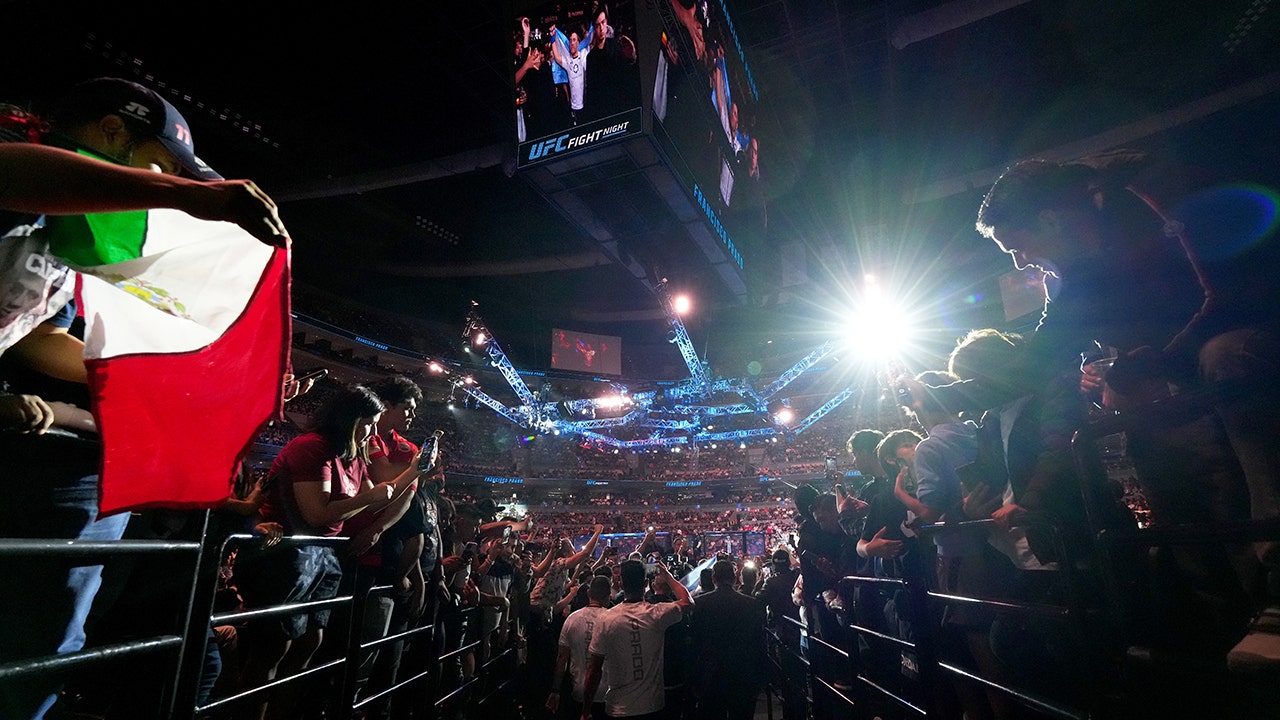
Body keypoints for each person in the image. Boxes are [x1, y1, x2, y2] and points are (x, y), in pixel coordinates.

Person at [0, 77, 284, 720]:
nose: (163, 184)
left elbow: (29, 339)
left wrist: (161, 378)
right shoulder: (21, 151)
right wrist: (186, 194)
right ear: (110, 132)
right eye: (159, 162)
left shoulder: (76, 237)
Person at [970, 154, 1280, 666]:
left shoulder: (1154, 194)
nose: (1020, 262)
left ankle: (1272, 590)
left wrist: (1154, 364)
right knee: (1163, 451)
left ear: (1049, 218)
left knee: (1225, 357)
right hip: (1178, 382)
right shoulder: (1075, 275)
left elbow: (1233, 292)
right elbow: (1034, 363)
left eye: (1016, 246)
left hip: (1242, 345)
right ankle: (1228, 628)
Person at [234, 385, 419, 720]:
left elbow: (378, 498)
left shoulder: (353, 456)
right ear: (351, 420)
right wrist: (369, 499)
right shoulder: (313, 447)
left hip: (322, 555)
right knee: (276, 646)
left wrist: (414, 473)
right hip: (286, 552)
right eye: (369, 424)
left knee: (309, 642)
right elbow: (316, 513)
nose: (372, 432)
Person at [581, 559, 693, 720]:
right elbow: (688, 601)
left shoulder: (606, 619)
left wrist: (585, 711)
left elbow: (594, 670)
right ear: (646, 582)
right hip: (652, 706)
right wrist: (667, 575)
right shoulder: (657, 614)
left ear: (620, 582)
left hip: (619, 707)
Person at [689, 560, 766, 720]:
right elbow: (759, 643)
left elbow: (694, 642)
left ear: (714, 578)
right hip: (743, 674)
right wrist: (760, 676)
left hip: (711, 675)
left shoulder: (700, 604)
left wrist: (694, 678)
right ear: (735, 577)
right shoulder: (751, 604)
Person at [549, 576, 613, 720]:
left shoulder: (572, 619)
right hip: (606, 692)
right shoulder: (612, 620)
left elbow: (562, 658)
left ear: (589, 593)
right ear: (609, 595)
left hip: (578, 690)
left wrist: (555, 689)